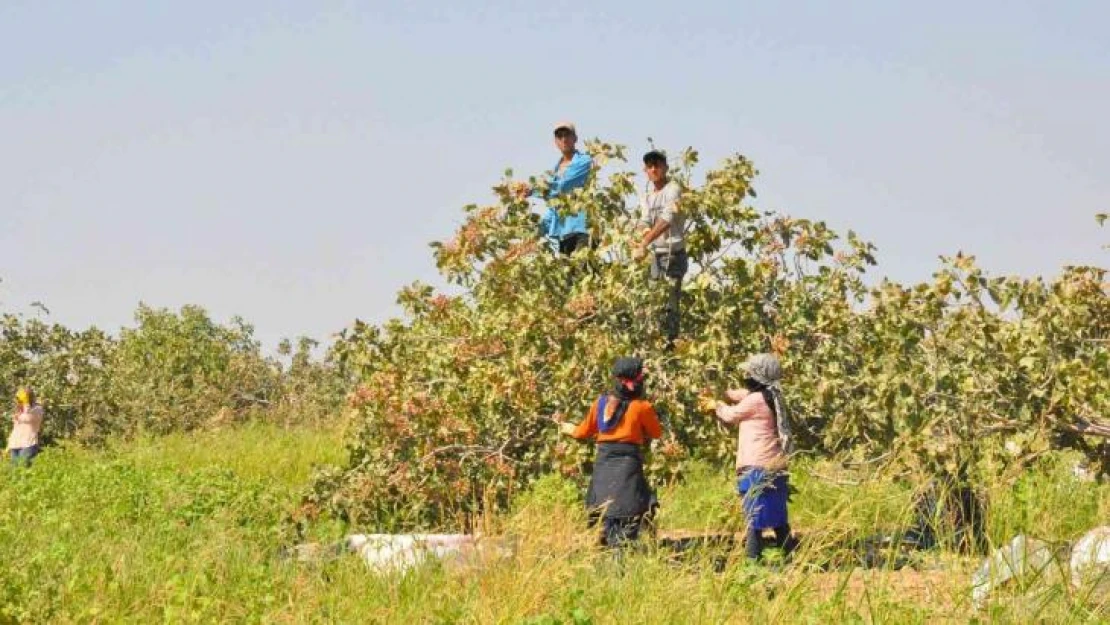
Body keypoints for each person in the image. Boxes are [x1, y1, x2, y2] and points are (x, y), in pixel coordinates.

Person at [559, 357, 663, 547]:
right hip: (628, 465)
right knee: (632, 507)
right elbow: (656, 433)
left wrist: (568, 428)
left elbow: (582, 432)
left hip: (604, 464)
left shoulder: (600, 403)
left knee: (606, 511)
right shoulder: (642, 407)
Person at [703, 354, 795, 562]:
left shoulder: (755, 400)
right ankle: (789, 555)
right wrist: (720, 391)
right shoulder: (772, 395)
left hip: (757, 465)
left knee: (754, 516)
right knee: (777, 514)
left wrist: (715, 404)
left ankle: (752, 560)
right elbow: (739, 394)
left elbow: (731, 415)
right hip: (775, 464)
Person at [632, 150, 687, 346]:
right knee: (653, 300)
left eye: (657, 165)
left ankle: (671, 346)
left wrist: (645, 242)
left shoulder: (673, 189)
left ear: (666, 167)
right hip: (657, 256)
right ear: (645, 170)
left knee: (671, 303)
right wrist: (640, 236)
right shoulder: (647, 196)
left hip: (674, 255)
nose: (654, 169)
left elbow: (667, 219)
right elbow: (643, 220)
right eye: (649, 166)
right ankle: (654, 343)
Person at [516, 121, 594, 255]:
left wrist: (532, 190)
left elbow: (564, 185)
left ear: (575, 138)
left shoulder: (584, 161)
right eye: (559, 136)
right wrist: (534, 234)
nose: (563, 139)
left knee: (583, 270)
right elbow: (554, 208)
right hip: (565, 235)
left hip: (583, 230)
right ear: (555, 141)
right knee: (568, 274)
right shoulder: (555, 171)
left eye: (567, 135)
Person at [6, 387, 44, 468]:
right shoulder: (19, 410)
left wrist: (26, 403)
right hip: (15, 444)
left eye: (21, 398)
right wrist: (9, 444)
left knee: (23, 469)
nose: (19, 401)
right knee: (14, 472)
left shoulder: (37, 409)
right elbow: (16, 428)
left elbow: (30, 418)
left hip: (28, 444)